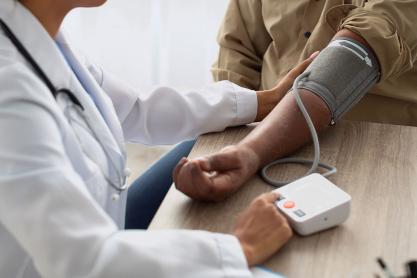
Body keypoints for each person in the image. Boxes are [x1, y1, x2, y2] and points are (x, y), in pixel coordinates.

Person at [0, 0, 318, 277]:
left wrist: (262, 102)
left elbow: (138, 108)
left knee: (193, 148)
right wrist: (238, 248)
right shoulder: (9, 90)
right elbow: (82, 260)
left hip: (103, 227)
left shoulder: (44, 39)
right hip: (79, 262)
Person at [174, 1, 417, 199]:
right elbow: (238, 48)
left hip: (369, 145)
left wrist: (250, 152)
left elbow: (354, 56)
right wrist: (235, 131)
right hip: (255, 124)